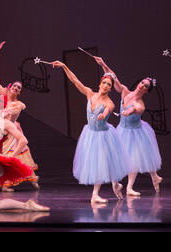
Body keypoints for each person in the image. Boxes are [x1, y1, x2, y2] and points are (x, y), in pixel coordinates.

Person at [52, 60, 129, 204]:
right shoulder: (89, 93)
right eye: (104, 83)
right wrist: (64, 66)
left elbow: (108, 110)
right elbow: (75, 81)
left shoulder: (109, 103)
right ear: (99, 84)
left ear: (111, 88)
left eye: (109, 85)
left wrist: (104, 114)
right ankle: (116, 184)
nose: (106, 86)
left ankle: (95, 194)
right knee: (103, 162)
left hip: (103, 134)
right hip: (90, 133)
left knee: (101, 162)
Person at [95, 57, 162, 196]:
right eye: (142, 82)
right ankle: (154, 177)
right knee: (116, 156)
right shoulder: (125, 91)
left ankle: (129, 188)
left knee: (134, 159)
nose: (142, 85)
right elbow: (114, 78)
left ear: (146, 91)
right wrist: (103, 64)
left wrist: (128, 111)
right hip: (122, 130)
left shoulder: (140, 105)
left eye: (146, 86)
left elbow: (134, 109)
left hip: (135, 132)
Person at [0, 54, 40, 191]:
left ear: (19, 93)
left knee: (19, 157)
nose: (16, 88)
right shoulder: (2, 94)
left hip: (11, 132)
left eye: (19, 88)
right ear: (10, 87)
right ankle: (5, 183)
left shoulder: (18, 104)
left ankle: (32, 179)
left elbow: (10, 115)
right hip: (0, 130)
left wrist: (5, 113)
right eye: (15, 86)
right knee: (3, 158)